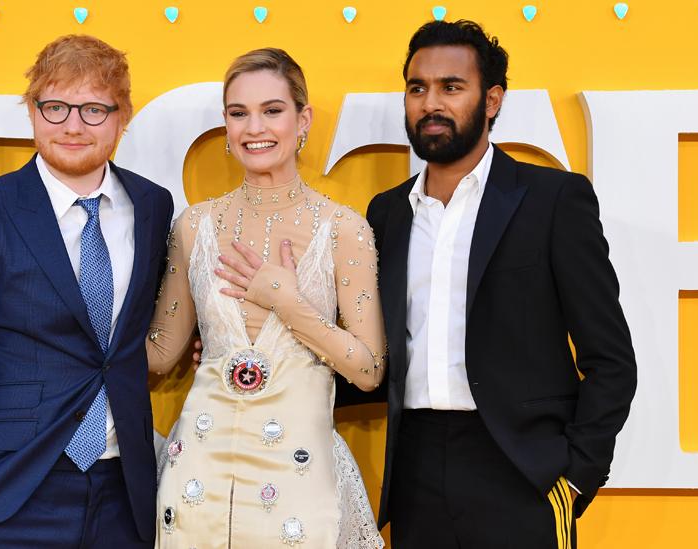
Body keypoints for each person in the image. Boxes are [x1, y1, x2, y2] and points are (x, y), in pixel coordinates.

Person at [365, 20, 638, 549]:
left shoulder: (553, 201)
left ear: (492, 100)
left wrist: (576, 473)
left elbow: (611, 358)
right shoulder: (388, 214)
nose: (429, 103)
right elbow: (374, 356)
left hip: (521, 472)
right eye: (417, 87)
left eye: (451, 86)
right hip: (416, 472)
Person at [0, 35, 173, 548]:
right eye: (55, 107)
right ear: (32, 112)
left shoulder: (152, 206)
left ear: (122, 116)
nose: (73, 126)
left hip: (125, 491)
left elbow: (138, 334)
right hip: (10, 492)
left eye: (94, 109)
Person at [146, 48, 386, 548]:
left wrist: (287, 302)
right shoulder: (194, 226)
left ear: (304, 119)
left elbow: (368, 369)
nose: (254, 127)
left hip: (300, 480)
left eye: (272, 110)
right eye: (239, 113)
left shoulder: (344, 230)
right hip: (199, 482)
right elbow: (160, 354)